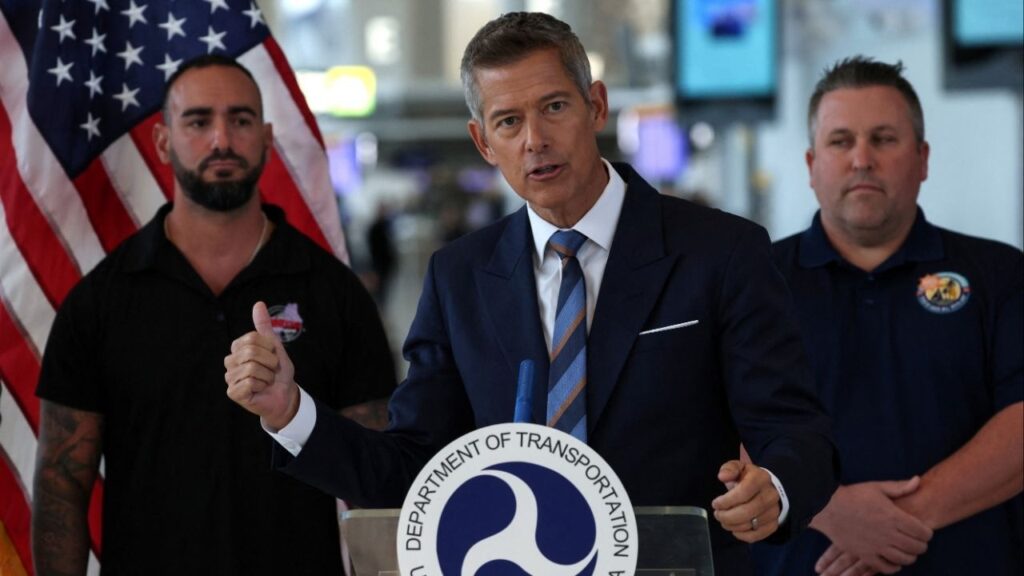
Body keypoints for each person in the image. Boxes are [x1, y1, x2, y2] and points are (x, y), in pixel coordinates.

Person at [225, 13, 837, 573]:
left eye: (554, 107)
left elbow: (795, 430)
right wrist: (290, 412)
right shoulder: (459, 277)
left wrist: (776, 489)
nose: (534, 140)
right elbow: (416, 469)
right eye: (509, 121)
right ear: (483, 141)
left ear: (595, 106)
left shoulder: (721, 253)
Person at [32, 55, 396, 576]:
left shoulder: (334, 292)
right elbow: (62, 482)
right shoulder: (101, 301)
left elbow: (376, 480)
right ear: (162, 141)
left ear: (268, 137)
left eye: (241, 120)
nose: (222, 139)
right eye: (199, 121)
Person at [752, 56, 1023, 575]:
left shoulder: (1001, 275)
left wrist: (896, 522)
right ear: (811, 165)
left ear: (922, 159)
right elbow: (715, 424)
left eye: (883, 138)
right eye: (840, 141)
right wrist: (829, 509)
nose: (862, 159)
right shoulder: (755, 281)